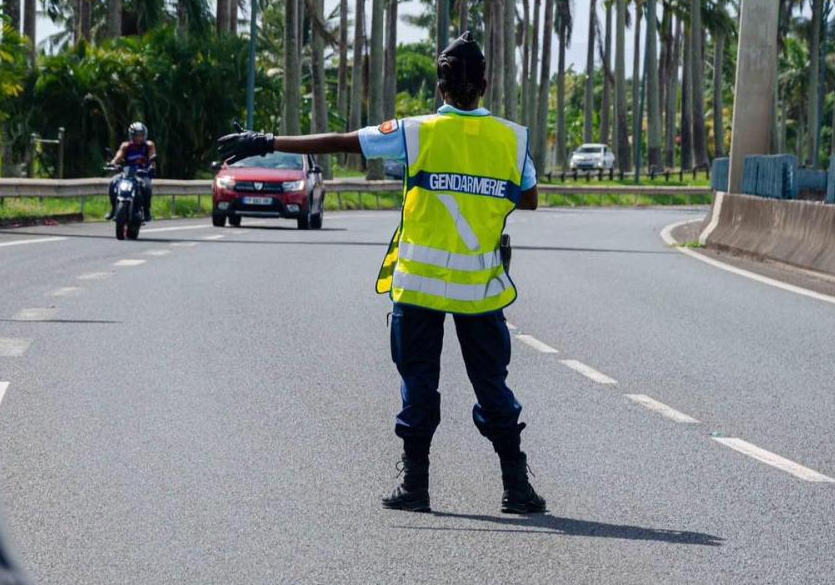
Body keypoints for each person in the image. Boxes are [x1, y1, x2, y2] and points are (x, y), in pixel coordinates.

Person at [216, 32, 545, 515]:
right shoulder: (512, 139)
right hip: (480, 291)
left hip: (418, 286)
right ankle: (517, 488)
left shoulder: (417, 131)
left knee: (418, 383)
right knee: (492, 386)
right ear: (486, 85)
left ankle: (415, 487)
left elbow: (344, 143)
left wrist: (266, 141)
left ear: (440, 87)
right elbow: (530, 197)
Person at [106, 122, 157, 222]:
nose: (138, 138)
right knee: (113, 182)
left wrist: (152, 166)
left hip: (143, 173)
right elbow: (118, 156)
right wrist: (113, 163)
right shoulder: (126, 146)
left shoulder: (149, 145)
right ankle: (113, 209)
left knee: (147, 186)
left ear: (144, 135)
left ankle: (146, 211)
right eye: (136, 135)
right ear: (131, 135)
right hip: (128, 173)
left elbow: (152, 157)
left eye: (140, 135)